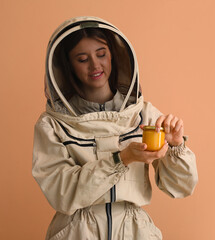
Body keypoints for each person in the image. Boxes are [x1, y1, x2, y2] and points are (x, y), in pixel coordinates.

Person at [32, 16, 198, 240]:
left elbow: (181, 187)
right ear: (67, 66)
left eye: (101, 54)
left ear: (114, 55)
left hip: (134, 232)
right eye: (82, 59)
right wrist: (121, 158)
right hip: (77, 233)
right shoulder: (53, 124)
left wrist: (175, 146)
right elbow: (63, 193)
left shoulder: (144, 115)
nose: (95, 65)